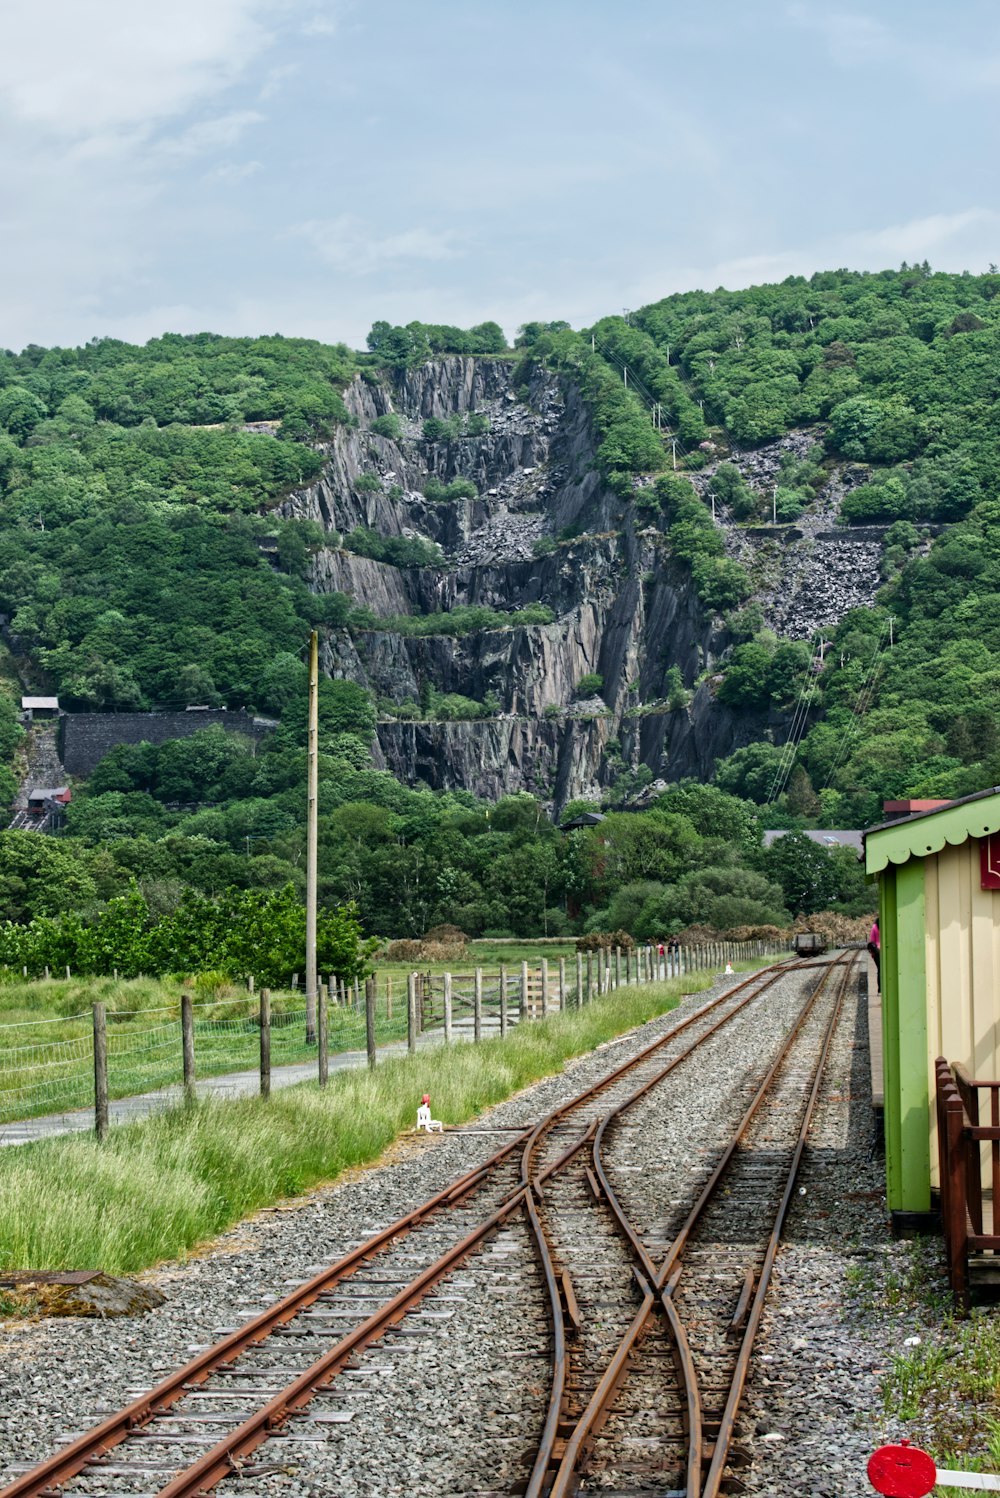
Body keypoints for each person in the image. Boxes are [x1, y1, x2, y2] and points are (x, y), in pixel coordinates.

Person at [867, 918, 880, 994]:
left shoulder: (874, 927)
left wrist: (872, 953)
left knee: (879, 970)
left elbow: (872, 941)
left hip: (877, 951)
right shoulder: (886, 925)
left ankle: (880, 989)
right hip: (886, 950)